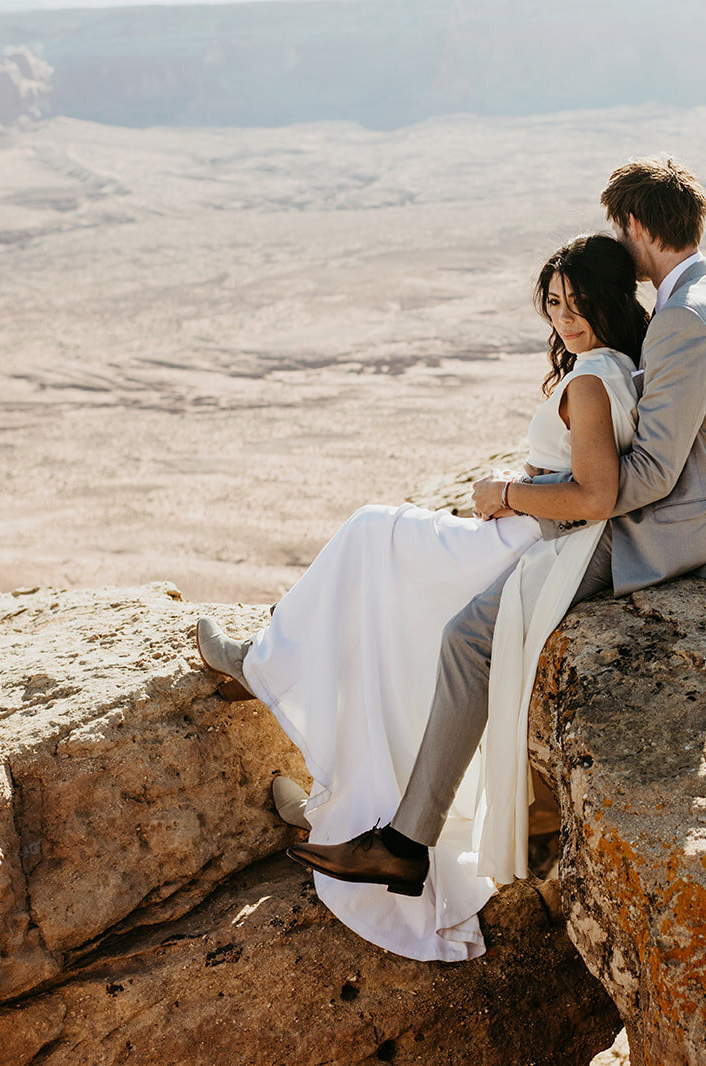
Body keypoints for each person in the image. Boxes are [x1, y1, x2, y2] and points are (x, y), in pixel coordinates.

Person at [274, 157, 706, 925]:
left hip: (661, 534)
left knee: (473, 636)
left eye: (617, 228)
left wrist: (525, 497)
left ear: (636, 227)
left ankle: (406, 842)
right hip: (690, 515)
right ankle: (391, 811)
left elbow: (638, 481)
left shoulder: (685, 320)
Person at [196, 232, 649, 961]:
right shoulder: (623, 366)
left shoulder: (592, 382)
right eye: (556, 305)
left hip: (528, 544)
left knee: (371, 533)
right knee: (383, 588)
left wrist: (506, 491)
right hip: (532, 538)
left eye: (580, 303)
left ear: (611, 299)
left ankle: (265, 664)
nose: (566, 319)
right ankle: (333, 785)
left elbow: (595, 494)